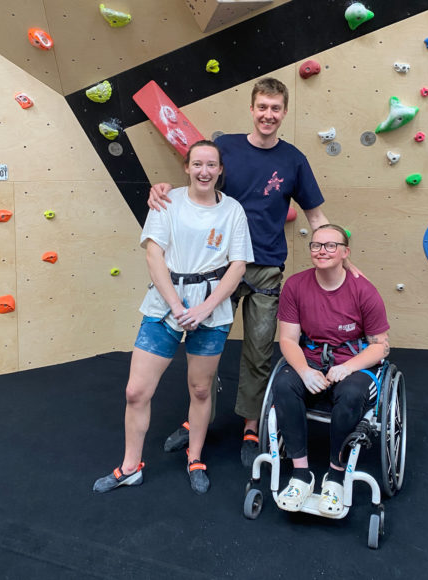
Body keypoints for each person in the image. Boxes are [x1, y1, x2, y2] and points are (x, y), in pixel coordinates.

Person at [149, 78, 361, 467]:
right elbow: (196, 183)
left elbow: (315, 215)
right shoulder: (225, 148)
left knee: (259, 352)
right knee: (204, 349)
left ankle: (250, 424)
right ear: (252, 109)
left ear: (284, 112)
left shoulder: (294, 159)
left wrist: (338, 253)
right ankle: (199, 419)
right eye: (262, 107)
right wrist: (161, 188)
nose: (268, 115)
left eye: (275, 108)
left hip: (265, 269)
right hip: (219, 267)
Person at [93, 140, 253, 495]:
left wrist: (204, 308)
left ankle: (195, 457)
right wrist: (178, 307)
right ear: (186, 166)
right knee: (136, 391)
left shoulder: (233, 211)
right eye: (198, 164)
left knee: (200, 388)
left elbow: (238, 265)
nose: (204, 171)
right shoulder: (166, 202)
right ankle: (130, 466)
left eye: (211, 165)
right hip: (164, 306)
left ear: (220, 169)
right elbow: (154, 255)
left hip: (211, 310)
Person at [272, 224, 389, 515]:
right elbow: (287, 339)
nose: (322, 251)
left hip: (351, 361)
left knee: (351, 395)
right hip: (311, 358)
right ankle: (301, 474)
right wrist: (304, 371)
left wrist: (348, 367)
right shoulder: (296, 286)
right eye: (316, 245)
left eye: (330, 245)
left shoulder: (364, 290)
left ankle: (335, 476)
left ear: (345, 252)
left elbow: (381, 347)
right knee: (283, 384)